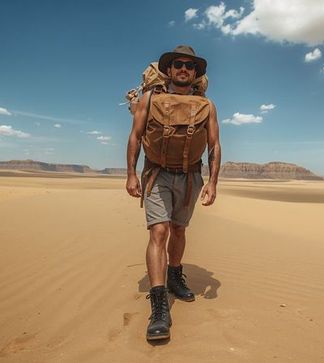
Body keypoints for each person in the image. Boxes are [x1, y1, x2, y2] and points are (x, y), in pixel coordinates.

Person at [125, 45, 221, 341]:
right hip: (157, 174)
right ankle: (159, 306)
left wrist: (213, 181)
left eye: (189, 66)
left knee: (179, 230)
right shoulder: (149, 99)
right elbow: (136, 136)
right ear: (168, 69)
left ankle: (175, 276)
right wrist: (130, 173)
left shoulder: (207, 106)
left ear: (195, 73)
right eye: (177, 64)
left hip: (190, 177)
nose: (183, 69)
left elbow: (214, 145)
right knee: (160, 232)